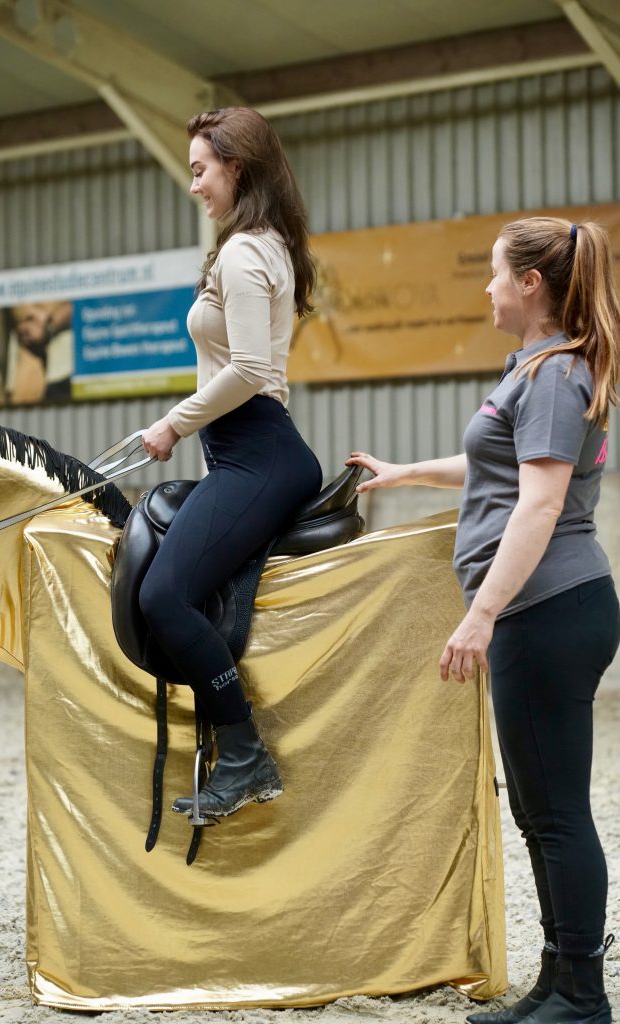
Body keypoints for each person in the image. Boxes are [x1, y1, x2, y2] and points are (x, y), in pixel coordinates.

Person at [347, 217, 620, 1024]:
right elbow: (499, 466)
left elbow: (537, 506)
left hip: (544, 608)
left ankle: (582, 995)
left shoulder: (554, 376)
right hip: (551, 609)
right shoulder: (540, 370)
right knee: (540, 809)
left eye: (496, 275)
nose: (489, 288)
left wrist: (482, 616)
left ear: (530, 285)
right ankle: (555, 981)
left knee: (555, 810)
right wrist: (405, 473)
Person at [139, 108, 323, 821]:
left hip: (254, 455)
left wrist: (173, 423)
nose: (193, 186)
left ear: (235, 168)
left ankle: (243, 753)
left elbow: (247, 368)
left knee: (163, 596)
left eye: (199, 170)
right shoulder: (268, 245)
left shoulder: (245, 253)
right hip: (248, 450)